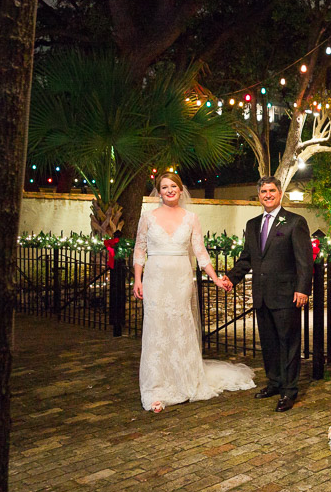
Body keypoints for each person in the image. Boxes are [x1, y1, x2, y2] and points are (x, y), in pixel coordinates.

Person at [133, 172, 255, 413]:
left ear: (180, 189)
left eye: (173, 186)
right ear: (159, 191)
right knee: (156, 330)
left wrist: (216, 279)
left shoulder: (191, 218)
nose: (169, 190)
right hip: (155, 278)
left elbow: (200, 253)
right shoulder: (147, 217)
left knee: (180, 327)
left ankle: (185, 381)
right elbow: (139, 250)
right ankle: (156, 387)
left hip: (180, 278)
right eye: (164, 187)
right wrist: (138, 279)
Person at [221, 176, 312, 412]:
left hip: (286, 295)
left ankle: (289, 391)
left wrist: (302, 289)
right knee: (269, 344)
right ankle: (274, 382)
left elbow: (305, 261)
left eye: (272, 190)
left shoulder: (295, 222)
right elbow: (247, 259)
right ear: (259, 195)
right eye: (263, 191)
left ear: (280, 193)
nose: (268, 194)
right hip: (262, 295)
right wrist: (231, 278)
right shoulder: (252, 225)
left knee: (288, 343)